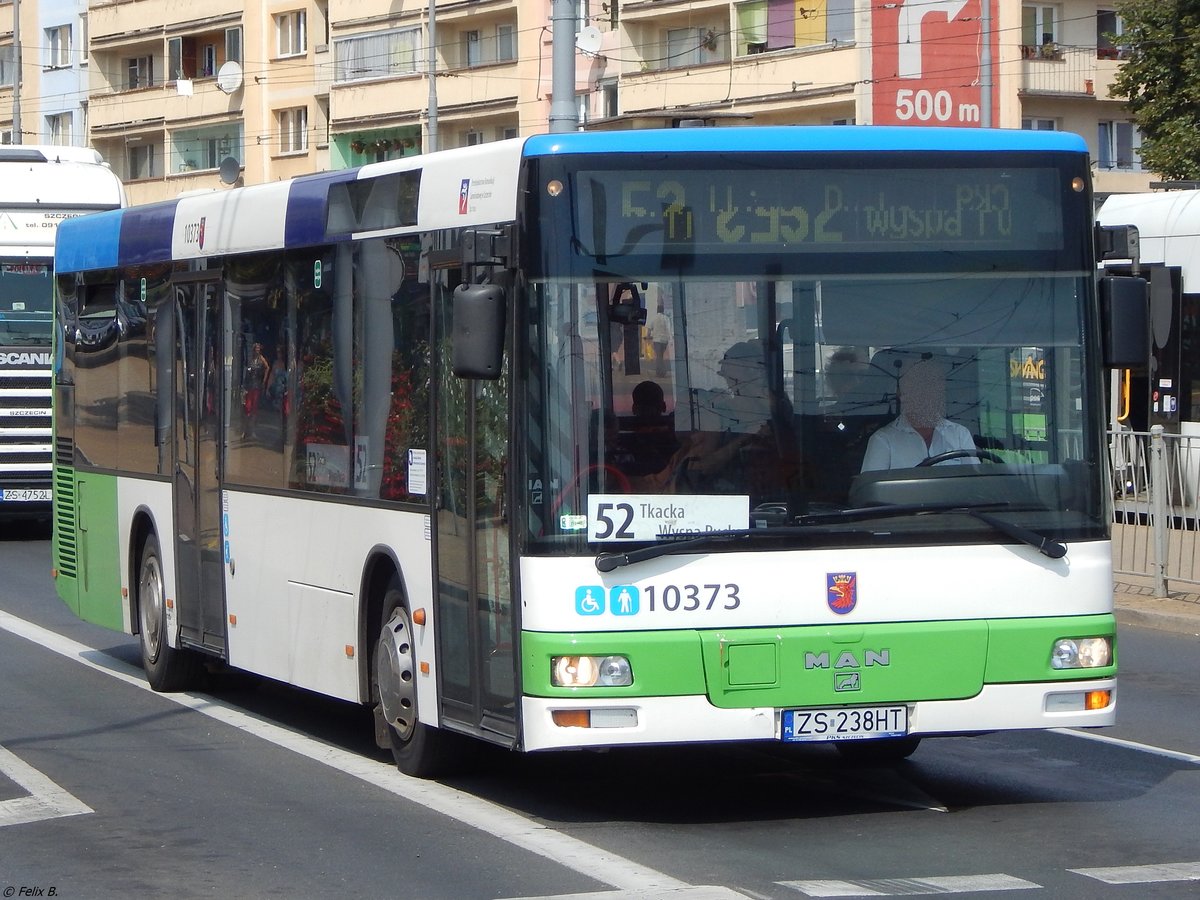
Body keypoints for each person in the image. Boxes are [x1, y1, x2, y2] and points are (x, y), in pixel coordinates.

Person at [860, 359, 977, 470]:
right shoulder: (883, 440)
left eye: (934, 386)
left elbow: (975, 484)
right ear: (902, 394)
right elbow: (872, 489)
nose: (927, 394)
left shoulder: (960, 435)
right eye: (919, 387)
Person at [647, 304, 671, 376]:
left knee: (658, 356)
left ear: (657, 310)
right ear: (663, 310)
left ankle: (660, 372)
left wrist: (648, 337)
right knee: (661, 355)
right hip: (664, 340)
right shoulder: (666, 318)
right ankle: (661, 371)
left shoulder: (654, 318)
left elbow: (649, 329)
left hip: (656, 340)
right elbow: (668, 329)